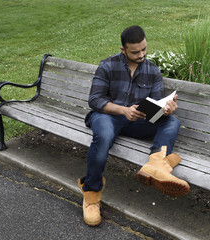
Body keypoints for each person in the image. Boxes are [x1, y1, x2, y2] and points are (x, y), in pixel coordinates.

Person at [77, 25, 189, 226]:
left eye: (144, 49)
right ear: (123, 50)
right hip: (107, 117)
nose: (141, 54)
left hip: (137, 121)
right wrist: (123, 110)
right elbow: (95, 100)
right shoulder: (107, 66)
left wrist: (166, 109)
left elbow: (155, 104)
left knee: (172, 121)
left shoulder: (152, 70)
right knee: (102, 139)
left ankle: (156, 165)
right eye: (135, 52)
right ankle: (91, 195)